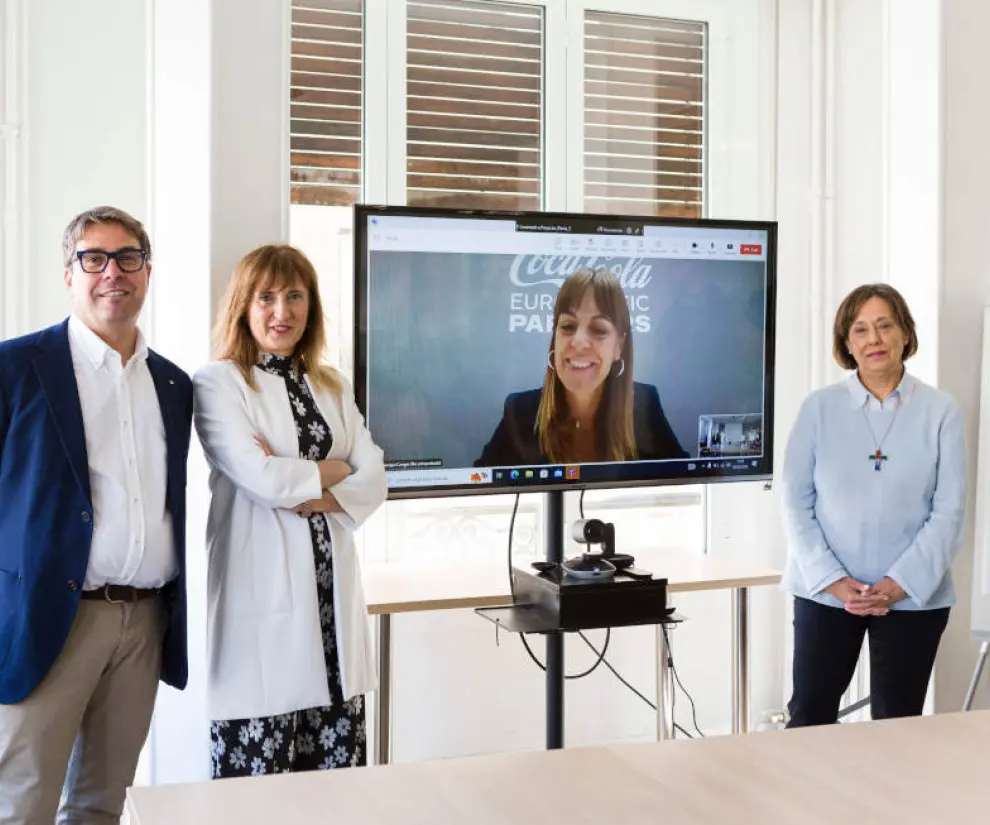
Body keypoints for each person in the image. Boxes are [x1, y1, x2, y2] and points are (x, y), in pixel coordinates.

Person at [0, 206, 192, 824]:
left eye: (128, 258)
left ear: (147, 271)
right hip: (50, 619)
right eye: (95, 258)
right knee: (22, 801)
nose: (113, 272)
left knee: (101, 806)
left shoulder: (172, 384)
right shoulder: (15, 367)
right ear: (69, 274)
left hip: (144, 622)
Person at [194, 244, 386, 778]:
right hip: (262, 613)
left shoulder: (332, 384)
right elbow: (263, 479)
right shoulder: (219, 384)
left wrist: (321, 482)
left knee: (336, 794)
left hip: (333, 613)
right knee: (257, 797)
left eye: (295, 296)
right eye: (268, 297)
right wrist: (335, 469)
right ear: (243, 306)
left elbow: (375, 473)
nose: (283, 312)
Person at [781, 283, 966, 727]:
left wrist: (898, 584)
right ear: (847, 343)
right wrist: (835, 582)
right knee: (809, 714)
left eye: (885, 325)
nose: (874, 339)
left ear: (905, 333)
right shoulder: (819, 408)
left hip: (913, 594)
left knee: (898, 722)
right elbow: (794, 502)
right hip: (826, 591)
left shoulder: (941, 411)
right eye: (860, 329)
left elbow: (950, 511)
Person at [475, 266, 686, 466]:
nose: (578, 341)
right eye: (568, 326)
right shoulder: (519, 410)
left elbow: (686, 480)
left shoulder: (645, 404)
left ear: (618, 346)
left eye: (598, 329)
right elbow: (479, 485)